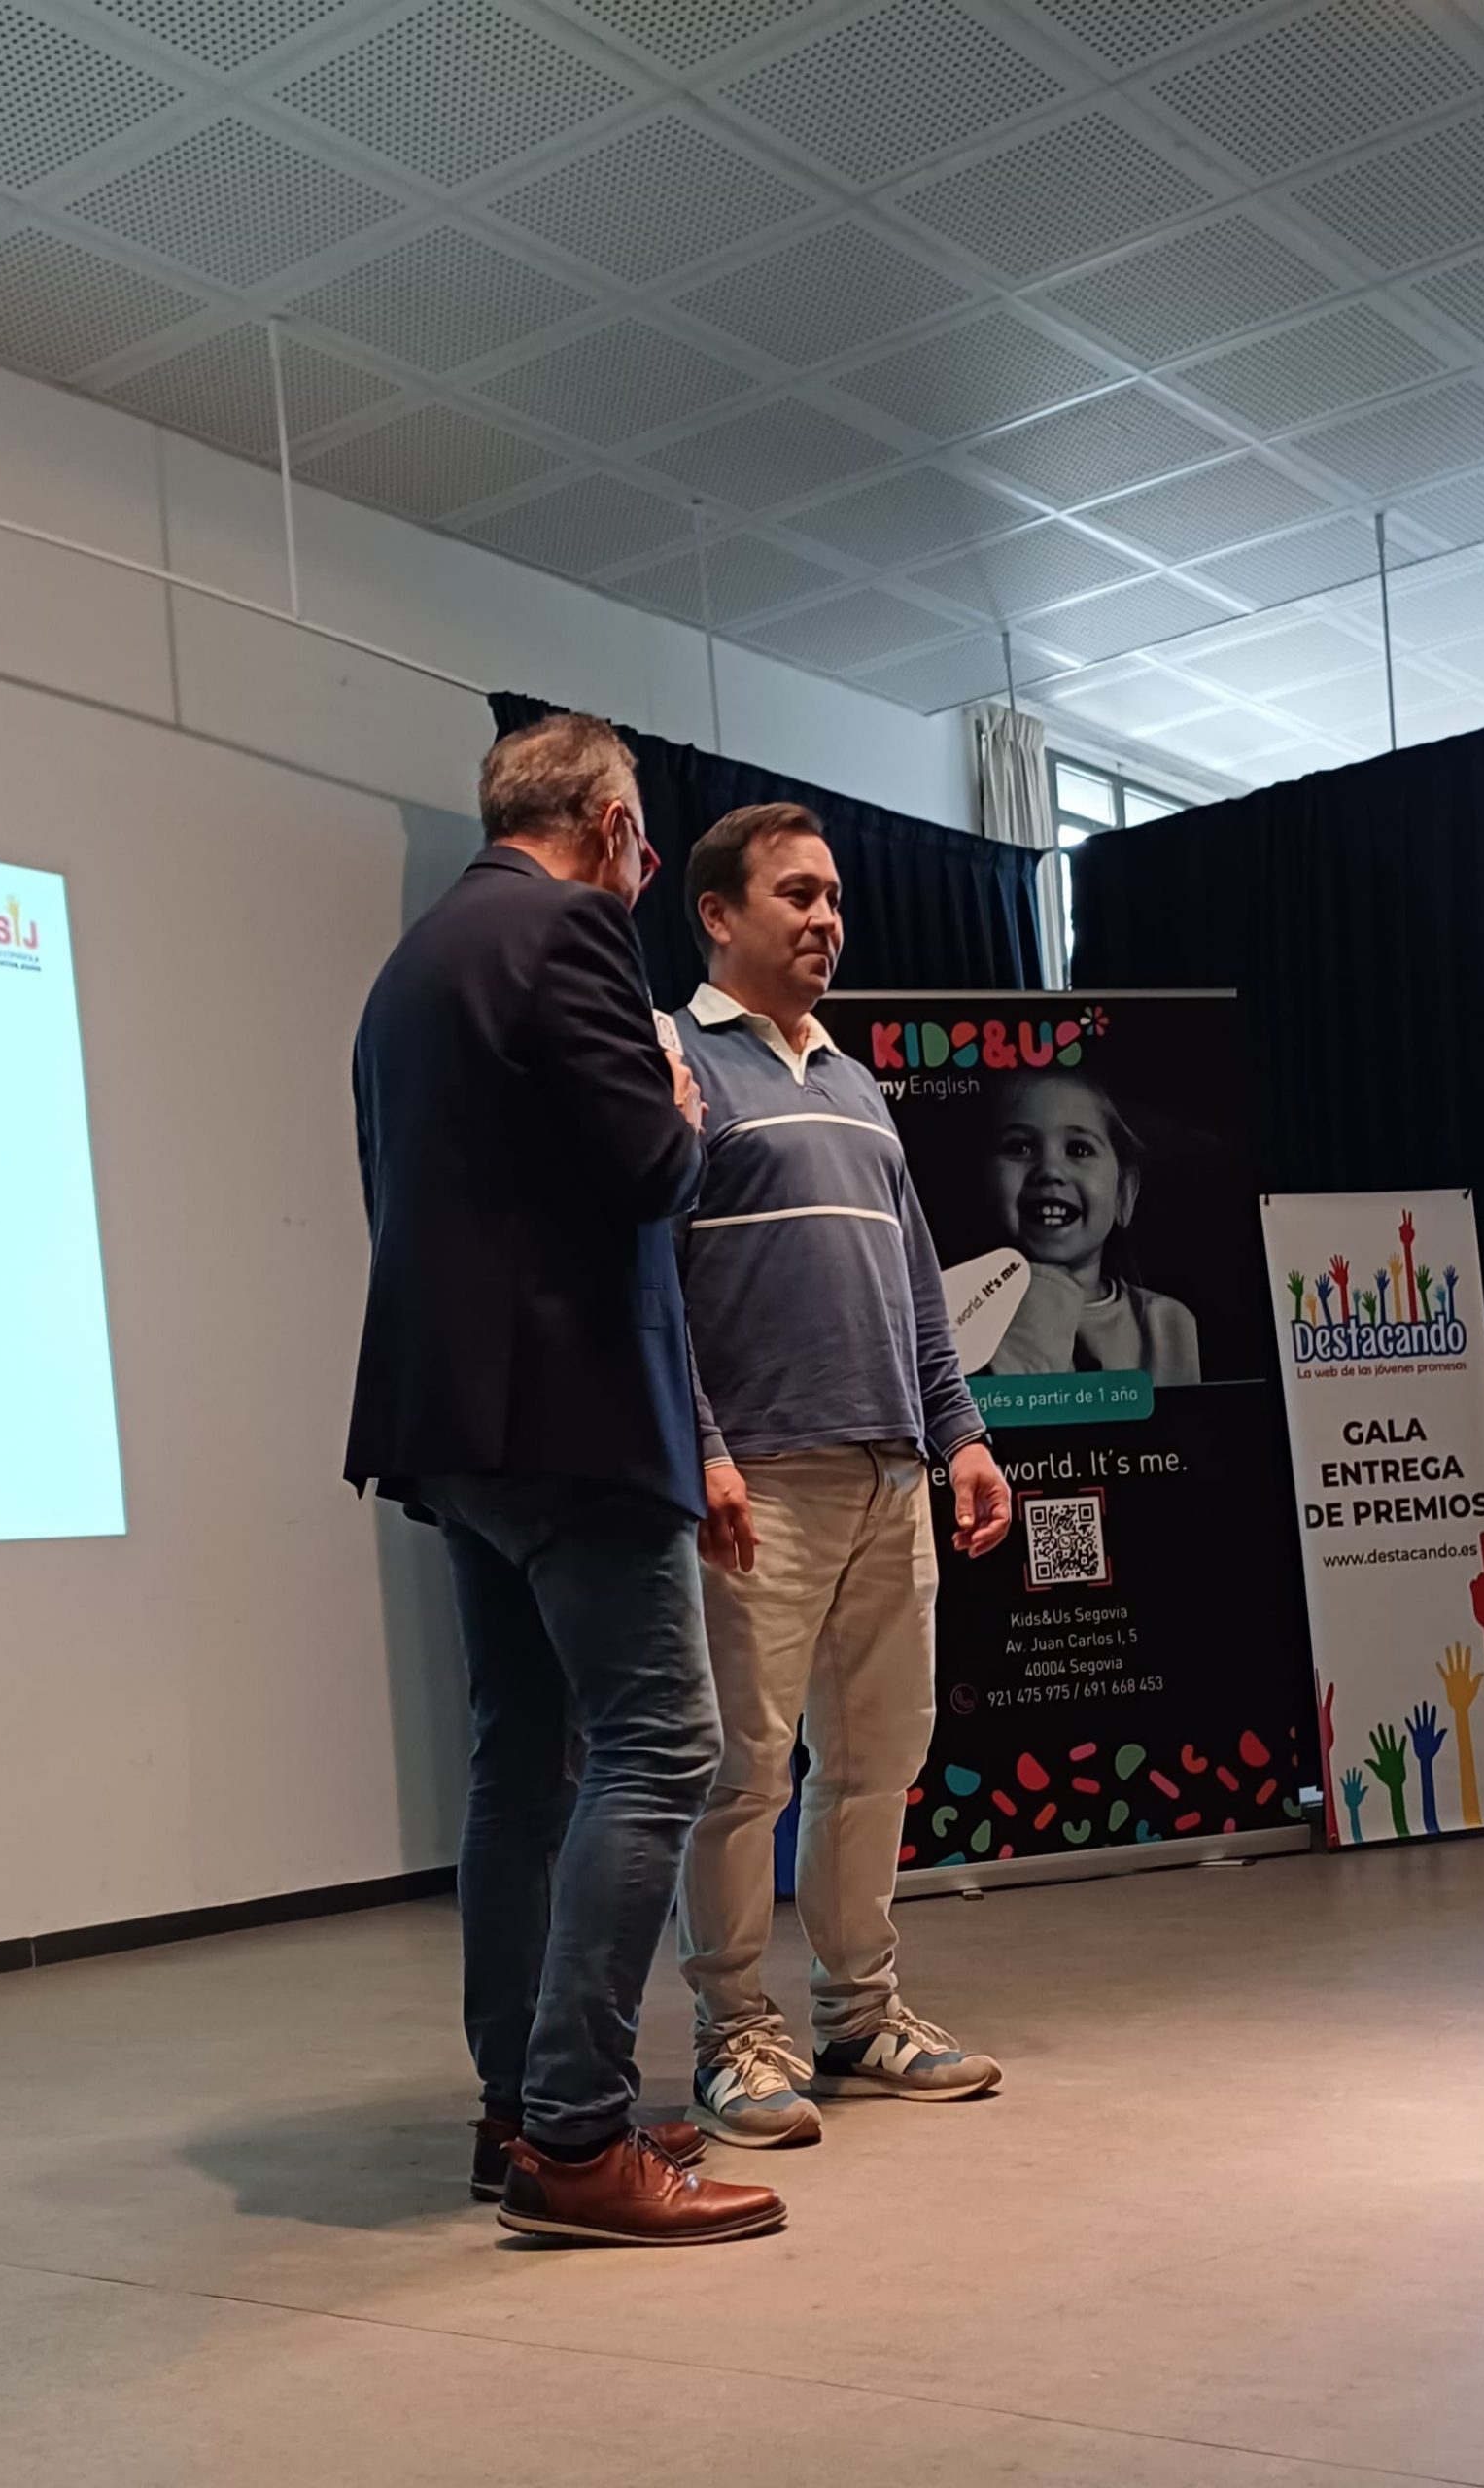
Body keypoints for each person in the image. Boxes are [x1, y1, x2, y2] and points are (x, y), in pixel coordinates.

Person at [345, 714, 785, 2246]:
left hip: (454, 1425)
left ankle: (516, 2109)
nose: (641, 871)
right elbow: (647, 1168)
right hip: (573, 1414)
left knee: (520, 1767)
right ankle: (579, 2143)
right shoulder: (570, 932)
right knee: (660, 1744)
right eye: (642, 844)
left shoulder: (409, 968)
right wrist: (682, 1102)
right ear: (607, 826)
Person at [673, 802, 1013, 2150]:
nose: (824, 919)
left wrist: (960, 1434)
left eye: (831, 897)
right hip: (759, 1482)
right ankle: (731, 2036)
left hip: (889, 1475)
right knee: (744, 1774)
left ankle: (859, 2017)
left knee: (875, 1762)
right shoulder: (673, 1064)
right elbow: (651, 1287)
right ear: (717, 914)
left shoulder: (858, 1084)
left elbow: (917, 1288)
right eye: (795, 895)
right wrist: (701, 1445)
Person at [980, 1068, 1200, 1387]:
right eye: (1020, 1147)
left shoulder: (1167, 1325)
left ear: (1123, 1192)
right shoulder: (960, 1321)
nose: (1050, 1170)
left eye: (1079, 1149)